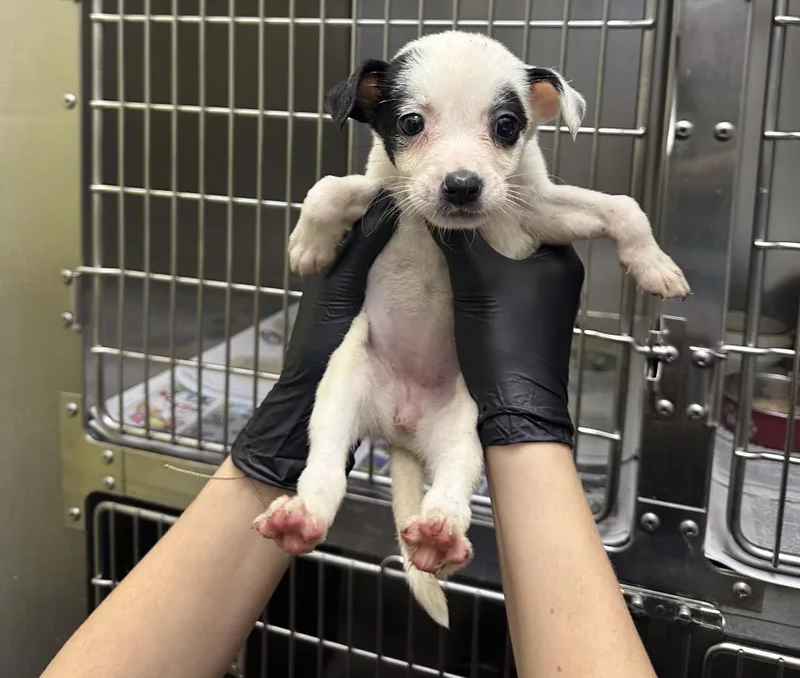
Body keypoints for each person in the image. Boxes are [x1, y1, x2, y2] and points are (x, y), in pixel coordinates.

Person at [42, 193, 656, 678]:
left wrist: (625, 228)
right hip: (376, 361)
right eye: (416, 123)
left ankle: (446, 509)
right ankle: (315, 498)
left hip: (454, 385)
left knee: (464, 426)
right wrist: (323, 210)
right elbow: (350, 195)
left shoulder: (516, 175)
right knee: (340, 397)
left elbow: (548, 203)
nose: (461, 168)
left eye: (498, 130)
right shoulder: (379, 173)